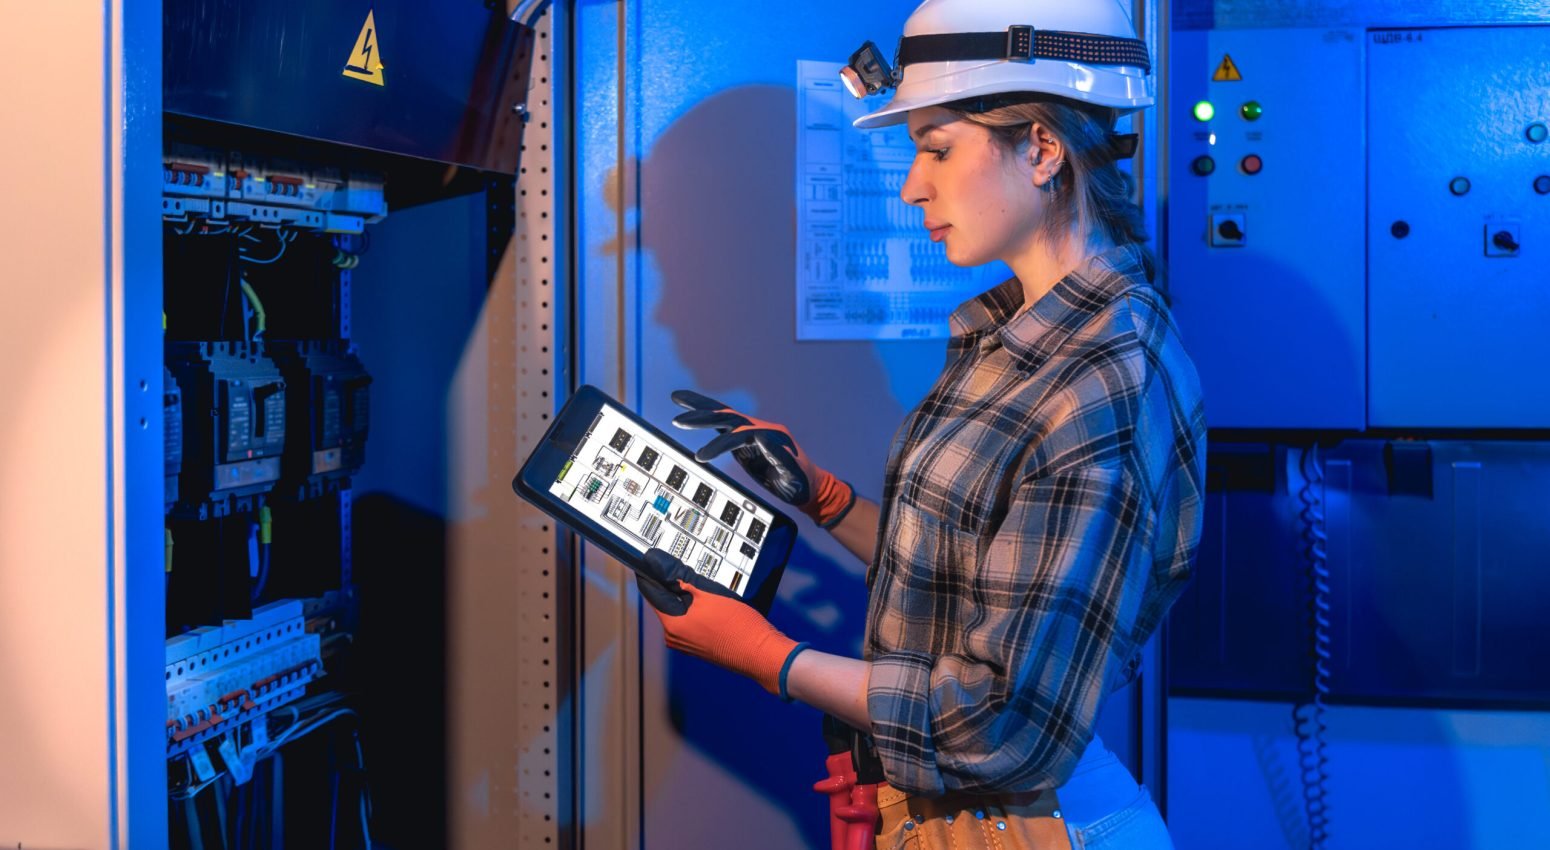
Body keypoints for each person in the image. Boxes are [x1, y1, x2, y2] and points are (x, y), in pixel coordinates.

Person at [635, 0, 1206, 847]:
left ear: (1042, 149)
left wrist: (768, 658)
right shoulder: (1012, 334)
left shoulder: (1103, 381)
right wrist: (826, 500)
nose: (912, 185)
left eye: (937, 149)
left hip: (1036, 825)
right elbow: (982, 571)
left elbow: (1003, 720)